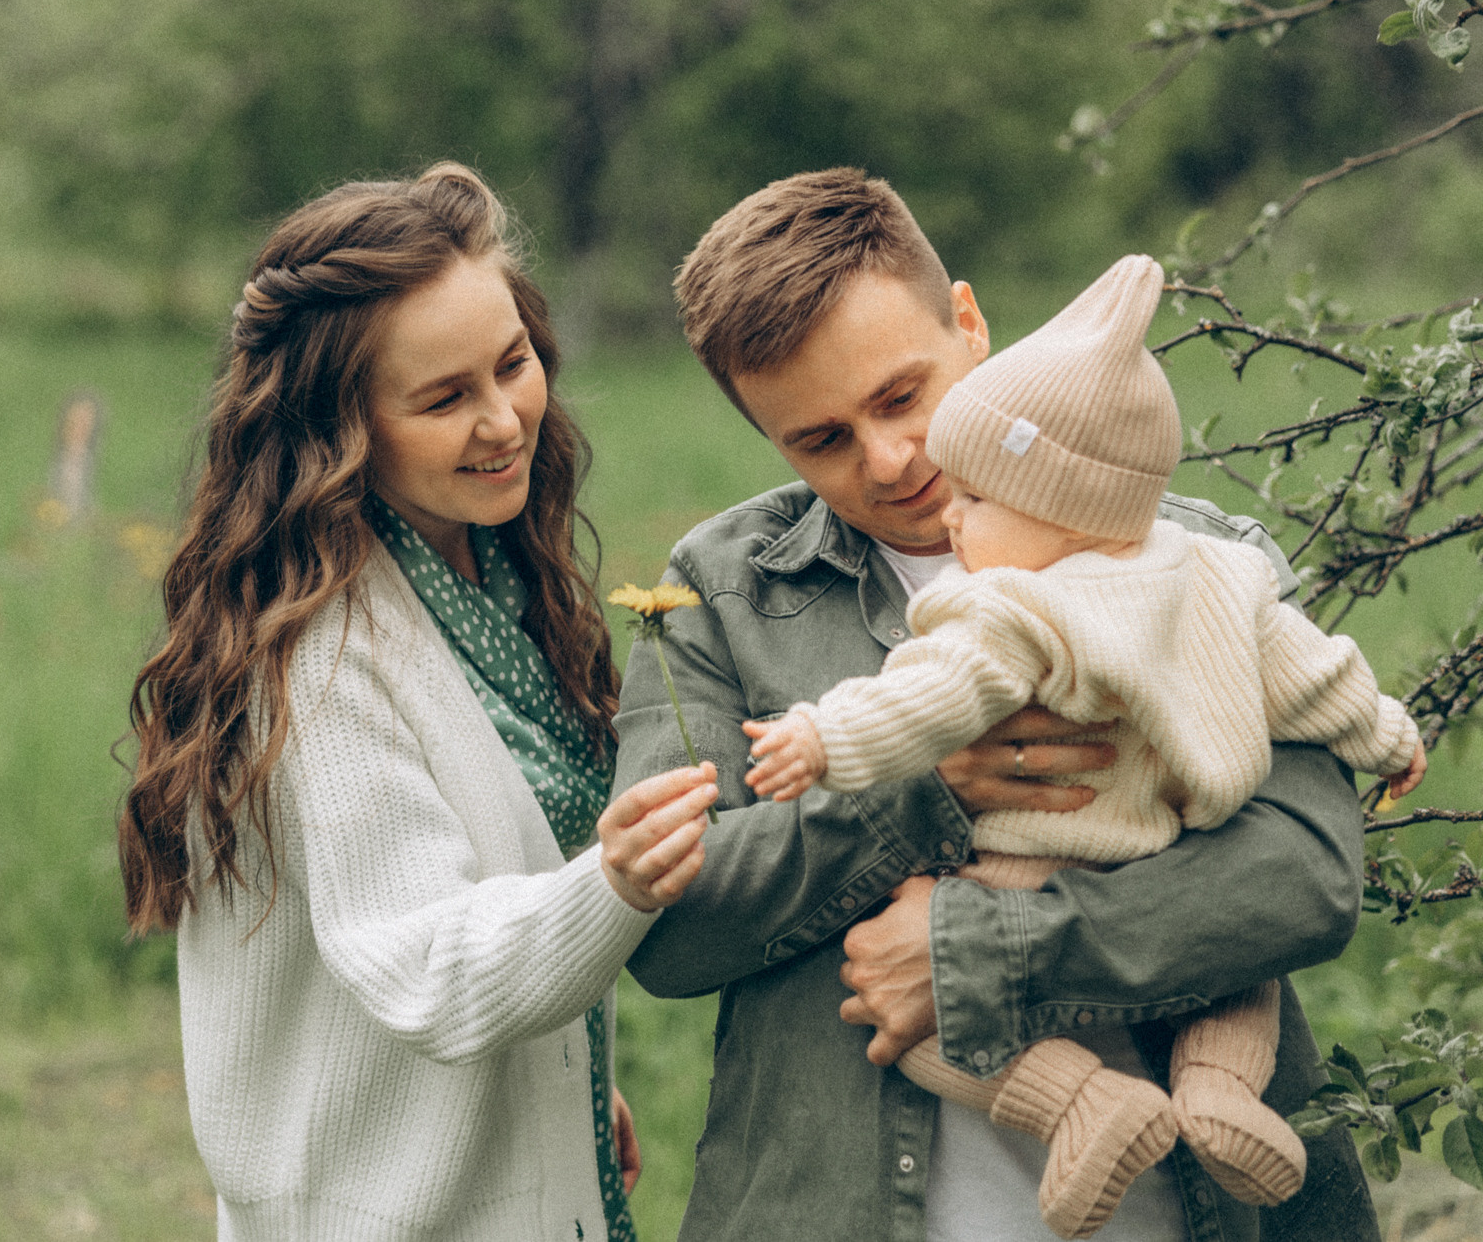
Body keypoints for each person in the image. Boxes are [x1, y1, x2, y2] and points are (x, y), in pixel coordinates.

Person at [616, 168, 1381, 1242]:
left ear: (968, 325)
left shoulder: (1196, 557)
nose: (889, 461)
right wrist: (922, 793)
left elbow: (1306, 873)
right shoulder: (721, 591)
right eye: (821, 439)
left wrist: (978, 948)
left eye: (900, 397)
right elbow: (669, 932)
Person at [117, 162, 719, 1241]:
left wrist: (559, 1089)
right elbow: (424, 964)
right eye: (444, 399)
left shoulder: (484, 567)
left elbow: (481, 869)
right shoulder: (321, 661)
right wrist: (617, 882)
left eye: (512, 364)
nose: (503, 421)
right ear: (337, 428)